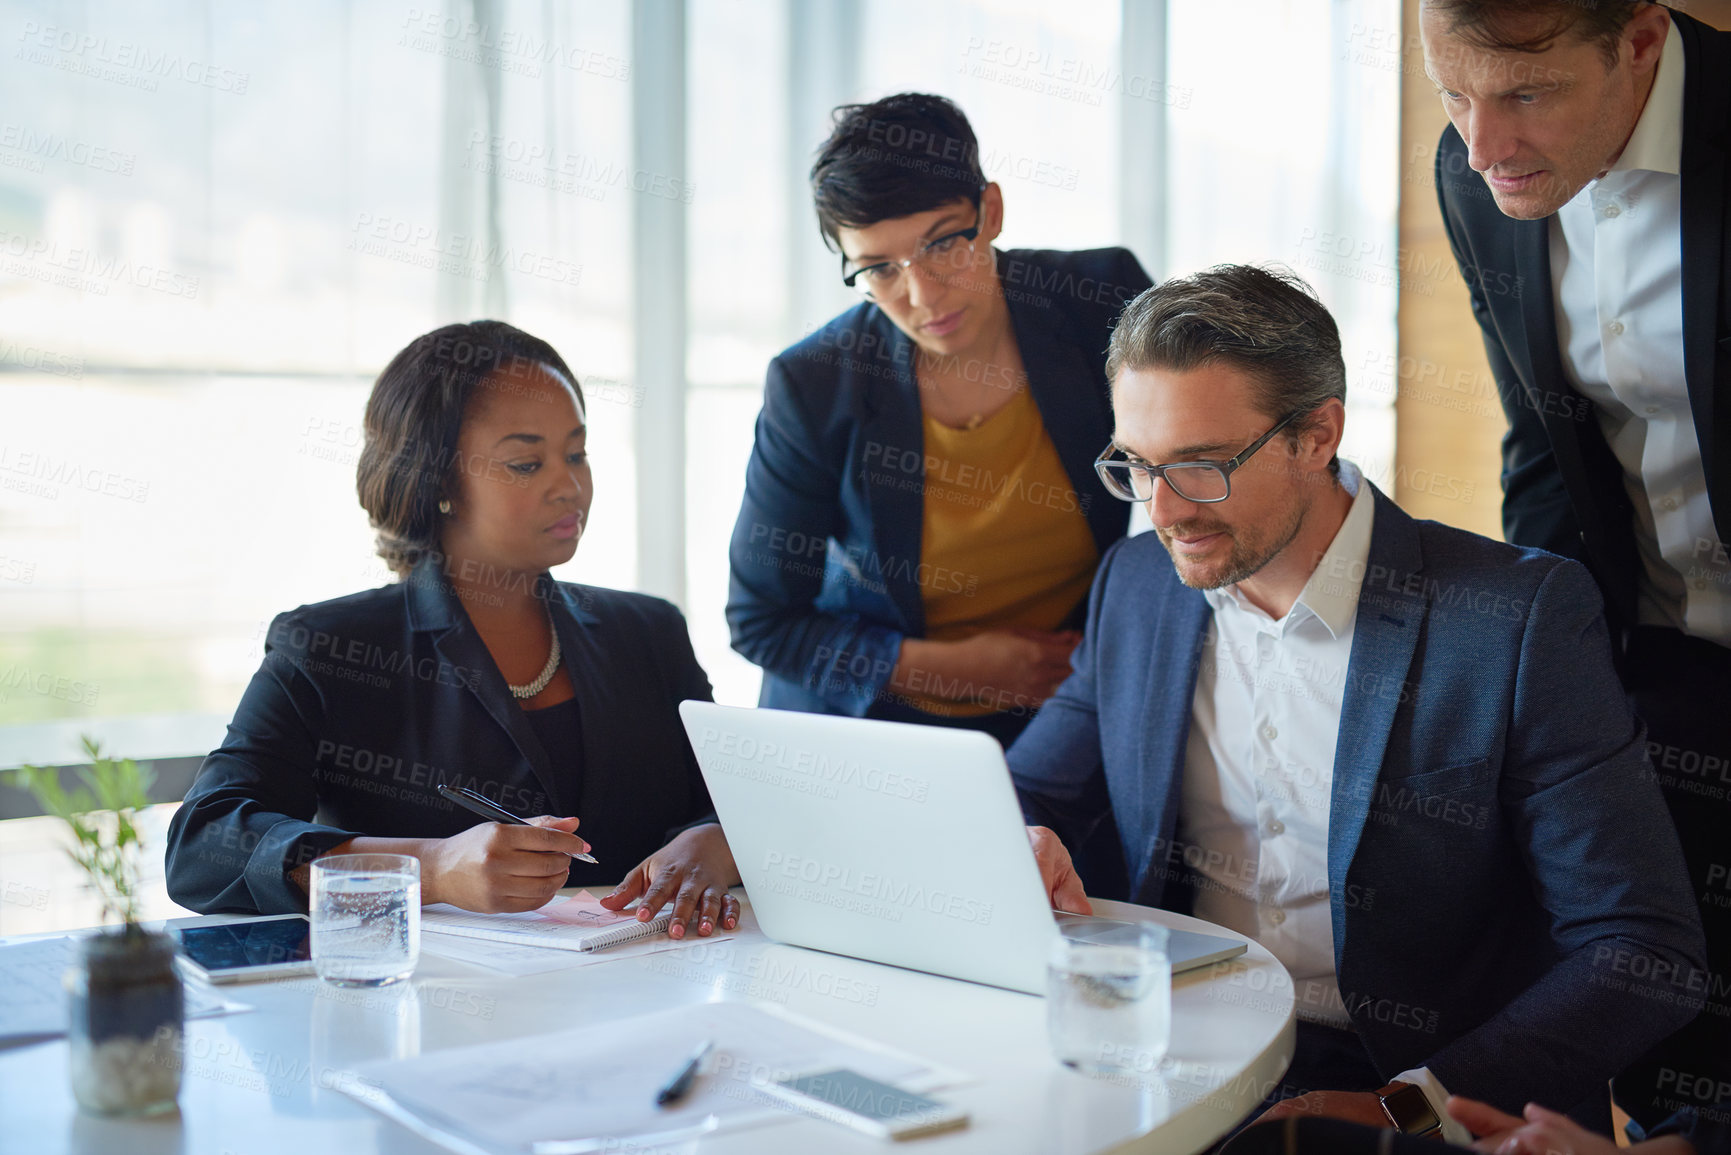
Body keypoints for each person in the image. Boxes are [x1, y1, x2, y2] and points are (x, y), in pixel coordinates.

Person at [1011, 265, 1706, 1145]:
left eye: (1199, 467)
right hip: (1177, 1053)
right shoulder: (1139, 583)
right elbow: (1032, 792)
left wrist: (1414, 1103)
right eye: (1136, 467)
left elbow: (1643, 950)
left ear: (1316, 436)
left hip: (1417, 1080)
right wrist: (1023, 841)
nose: (1163, 510)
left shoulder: (1513, 620)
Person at [165, 322, 739, 937]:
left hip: (651, 996)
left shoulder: (648, 632)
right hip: (432, 1010)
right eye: (526, 462)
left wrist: (717, 841)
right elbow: (202, 845)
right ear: (440, 481)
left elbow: (741, 803)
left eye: (577, 453)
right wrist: (430, 868)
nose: (569, 486)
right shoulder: (329, 647)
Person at [1426, 0, 1731, 1127]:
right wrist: (1540, 673)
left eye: (1526, 95)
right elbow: (1545, 450)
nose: (1482, 143)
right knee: (1664, 1016)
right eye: (1452, 95)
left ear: (1640, 42)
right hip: (1650, 653)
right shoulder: (1479, 177)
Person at [725, 92, 1152, 757]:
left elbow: (1195, 460)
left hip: (1062, 704)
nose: (921, 295)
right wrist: (964, 668)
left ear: (992, 213)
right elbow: (763, 621)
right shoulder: (813, 384)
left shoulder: (1096, 300)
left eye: (943, 244)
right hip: (876, 721)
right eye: (878, 268)